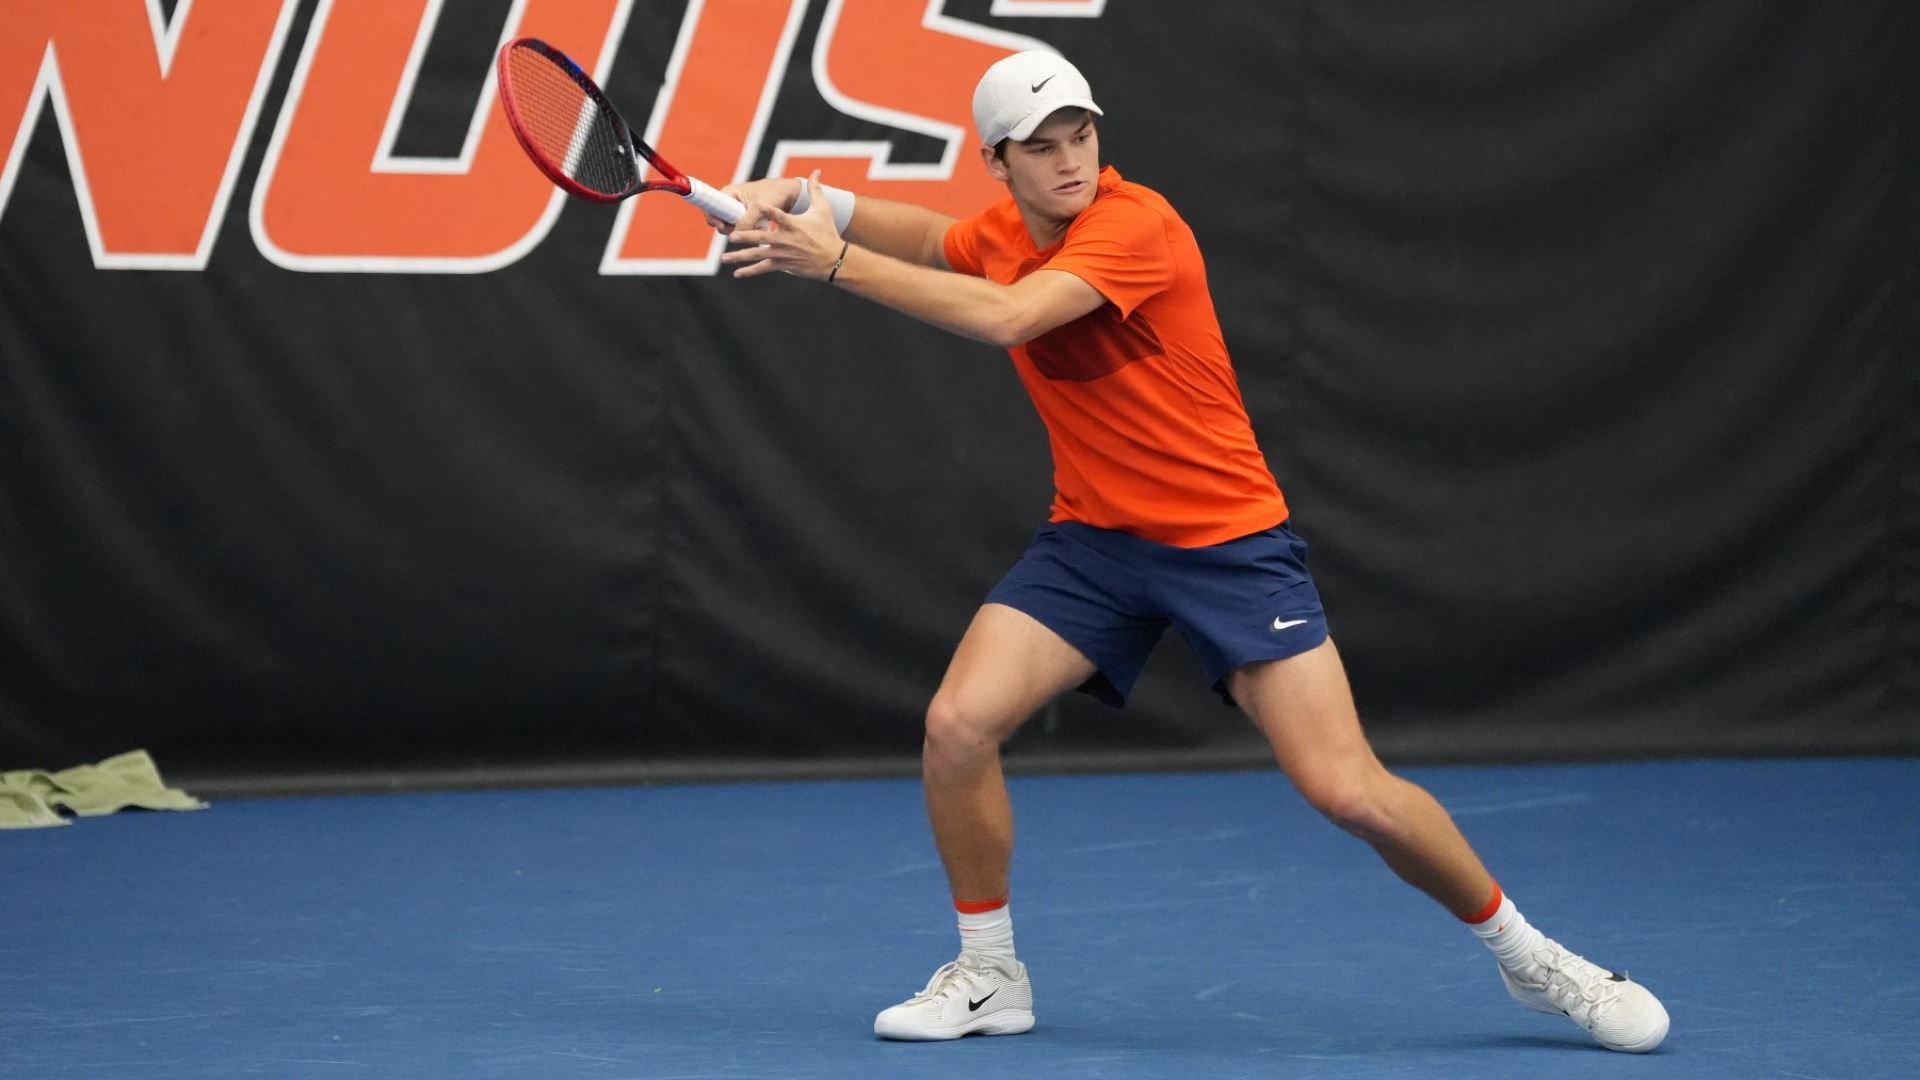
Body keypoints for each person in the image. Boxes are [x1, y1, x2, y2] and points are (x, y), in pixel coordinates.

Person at [709, 50, 1669, 1054]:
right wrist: (804, 197)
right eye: (1042, 147)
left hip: (1227, 545)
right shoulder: (1002, 228)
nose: (1072, 159)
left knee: (1348, 791)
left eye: (1081, 133)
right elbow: (934, 235)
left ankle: (1535, 958)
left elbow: (1007, 317)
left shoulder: (1137, 224)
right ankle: (991, 973)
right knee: (956, 725)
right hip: (1093, 544)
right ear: (1000, 162)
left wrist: (828, 259)